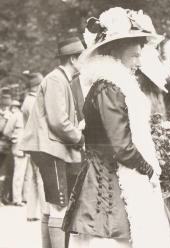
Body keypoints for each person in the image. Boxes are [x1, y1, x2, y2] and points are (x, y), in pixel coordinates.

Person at [62, 7, 170, 248]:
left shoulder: (115, 87)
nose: (138, 62)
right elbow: (121, 146)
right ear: (115, 51)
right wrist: (149, 169)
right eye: (134, 56)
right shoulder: (109, 88)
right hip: (107, 186)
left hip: (113, 176)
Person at [20, 36, 85, 248]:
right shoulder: (57, 80)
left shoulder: (59, 79)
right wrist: (80, 137)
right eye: (82, 57)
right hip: (52, 149)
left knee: (51, 207)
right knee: (59, 205)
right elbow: (59, 121)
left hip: (50, 148)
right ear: (74, 59)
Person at [21, 72, 48, 226]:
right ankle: (45, 211)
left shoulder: (26, 101)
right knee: (41, 178)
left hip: (31, 144)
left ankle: (31, 213)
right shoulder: (35, 101)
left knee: (33, 179)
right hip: (39, 144)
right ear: (38, 85)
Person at [3, 100, 26, 206]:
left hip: (23, 149)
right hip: (18, 149)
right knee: (18, 175)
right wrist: (13, 138)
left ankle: (21, 197)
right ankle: (17, 199)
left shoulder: (20, 115)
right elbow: (7, 131)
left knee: (23, 175)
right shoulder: (17, 116)